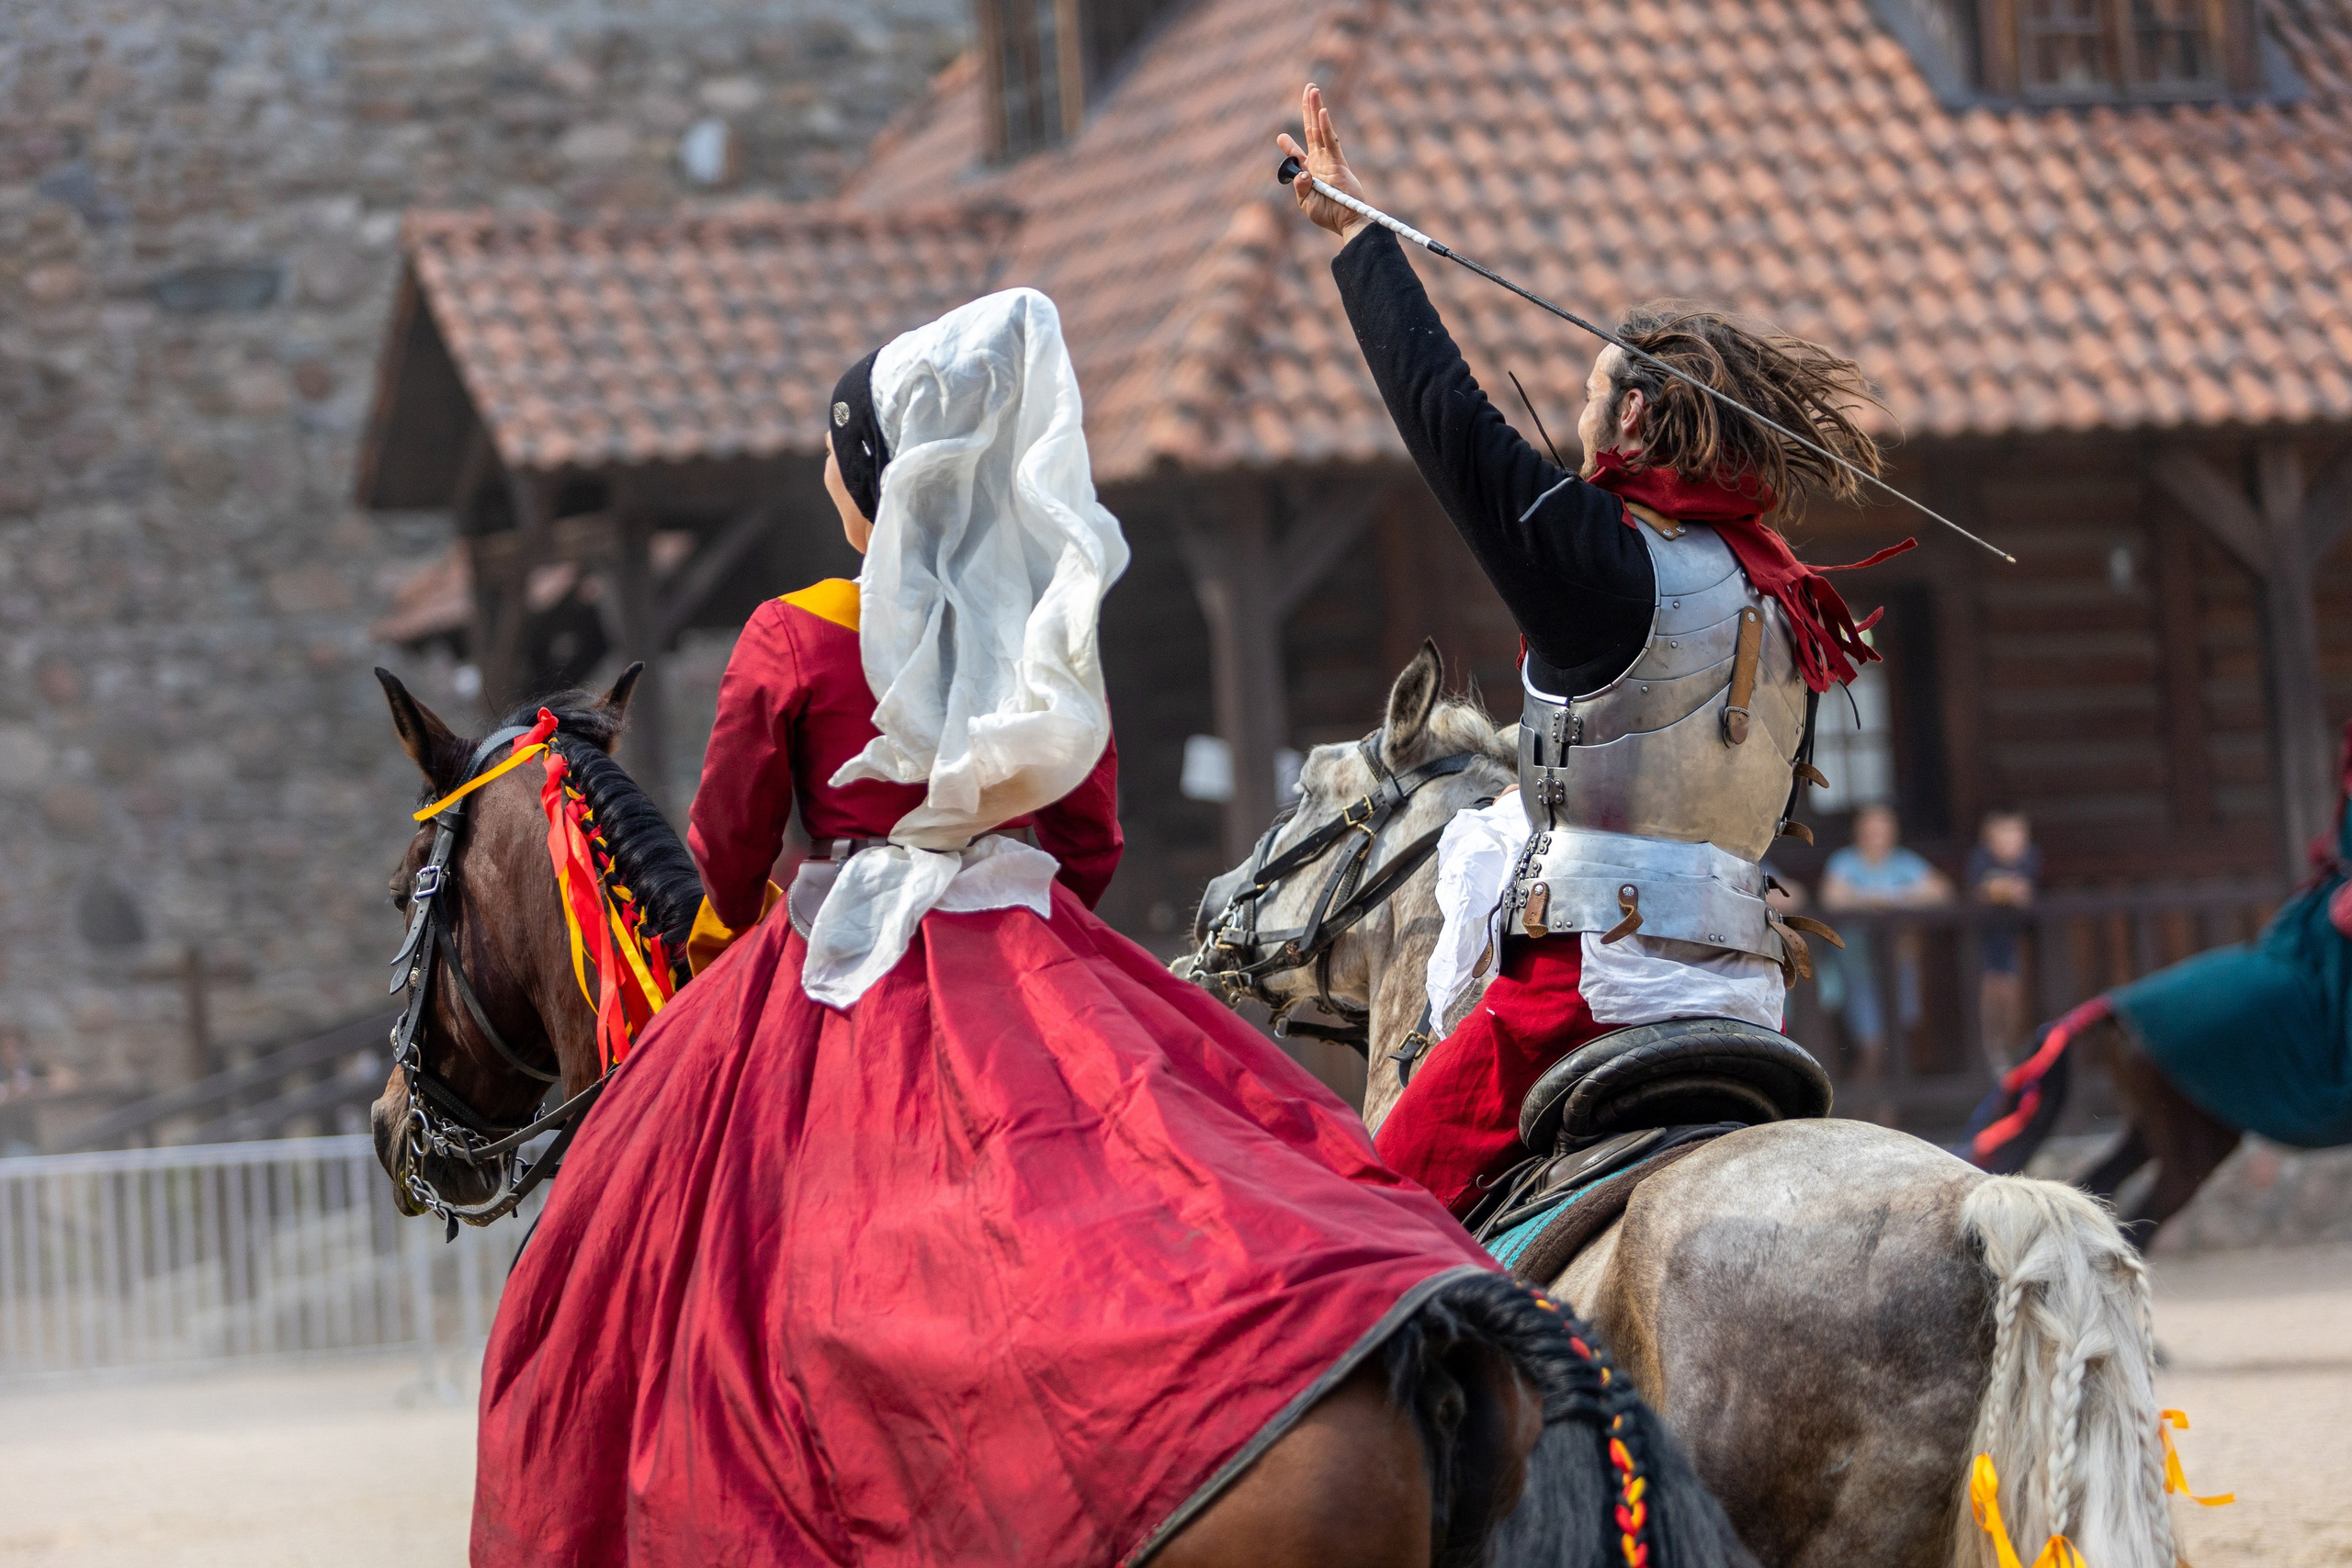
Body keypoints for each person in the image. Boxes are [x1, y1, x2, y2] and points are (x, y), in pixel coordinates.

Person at [470, 289, 1537, 1567]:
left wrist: (724, 958)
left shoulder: (790, 634)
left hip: (842, 967)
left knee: (686, 1266)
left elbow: (726, 856)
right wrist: (1017, 940)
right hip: (1026, 938)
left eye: (834, 458)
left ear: (874, 479)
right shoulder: (1042, 631)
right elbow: (1089, 844)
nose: (825, 478)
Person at [1279, 85, 1899, 1216]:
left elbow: (1448, 421)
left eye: (1586, 395)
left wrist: (1363, 241)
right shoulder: (1788, 596)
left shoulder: (1603, 563)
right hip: (1737, 991)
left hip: (1582, 989)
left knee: (1361, 1233)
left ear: (1634, 420)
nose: (1574, 416)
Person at [1819, 804, 1951, 1109]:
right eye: (1870, 830)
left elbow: (1942, 890)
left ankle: (1883, 1115)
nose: (1876, 836)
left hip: (1897, 966)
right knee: (1873, 1045)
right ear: (1858, 833)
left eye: (1882, 829)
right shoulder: (1845, 862)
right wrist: (1871, 901)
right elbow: (1832, 897)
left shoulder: (1902, 862)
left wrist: (1893, 899)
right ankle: (1848, 1110)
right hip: (1857, 968)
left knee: (1895, 1045)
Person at [1967, 809, 2041, 1077]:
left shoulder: (2030, 858)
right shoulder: (1980, 859)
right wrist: (2004, 891)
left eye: (2017, 835)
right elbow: (1983, 890)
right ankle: (1993, 1052)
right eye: (2005, 835)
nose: (2012, 842)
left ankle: (2010, 1051)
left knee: (2014, 992)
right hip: (1985, 943)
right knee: (1991, 992)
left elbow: (2026, 891)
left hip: (2014, 942)